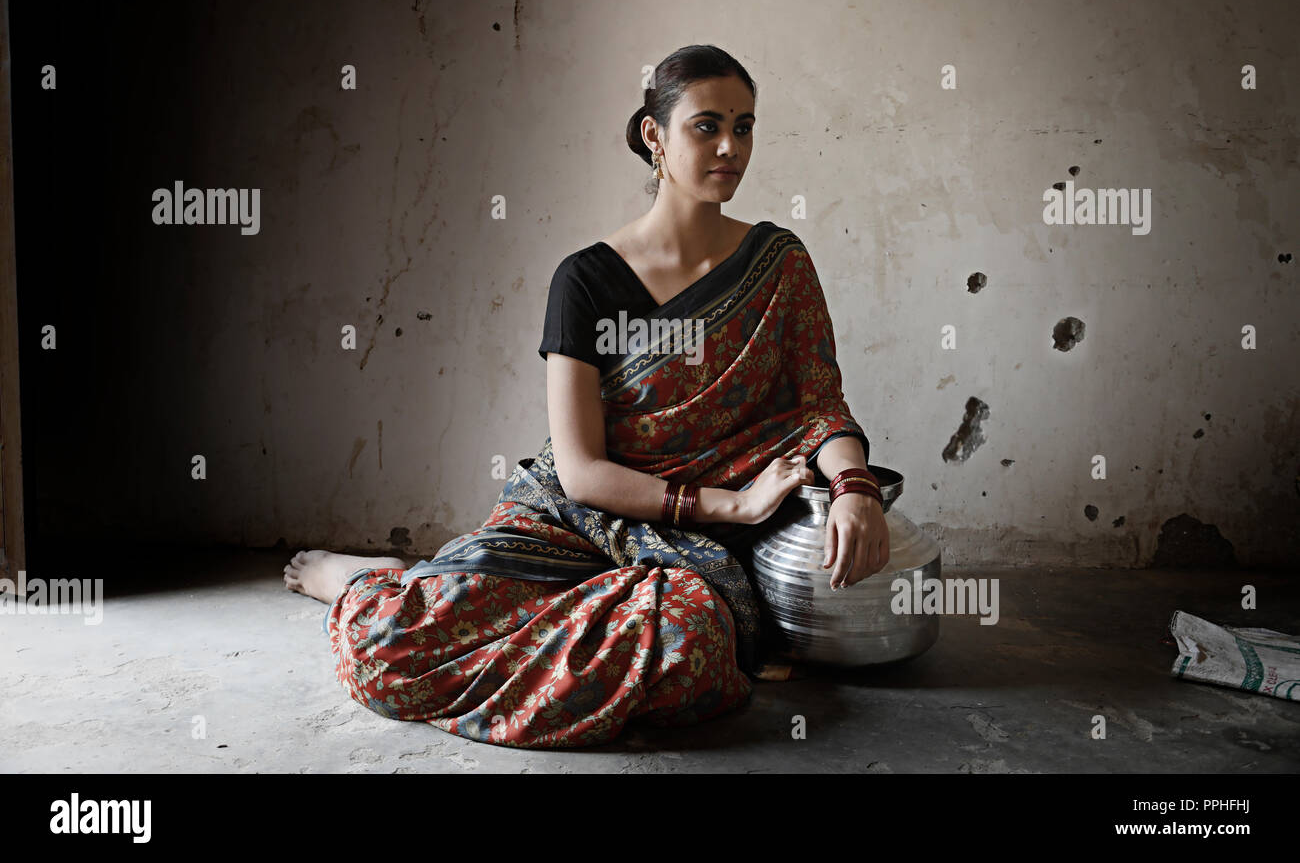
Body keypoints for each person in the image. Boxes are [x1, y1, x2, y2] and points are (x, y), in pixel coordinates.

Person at [284, 44, 890, 749]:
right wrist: (732, 503)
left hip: (689, 554)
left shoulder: (778, 264)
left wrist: (854, 487)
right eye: (707, 125)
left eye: (745, 126)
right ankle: (372, 584)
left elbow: (820, 404)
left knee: (687, 641)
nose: (731, 146)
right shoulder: (585, 280)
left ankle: (478, 595)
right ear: (653, 136)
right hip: (576, 517)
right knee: (389, 651)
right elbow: (580, 472)